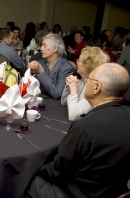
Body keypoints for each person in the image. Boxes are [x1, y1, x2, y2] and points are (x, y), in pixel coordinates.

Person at [25, 62, 130, 198]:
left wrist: (34, 168)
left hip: (77, 193)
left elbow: (57, 171)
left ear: (96, 87)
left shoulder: (85, 127)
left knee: (26, 181)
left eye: (87, 80)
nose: (84, 83)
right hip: (115, 190)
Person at [61, 46, 110, 121]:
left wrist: (73, 91)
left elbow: (73, 116)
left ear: (87, 67)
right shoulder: (83, 81)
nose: (76, 62)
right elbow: (64, 102)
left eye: (79, 61)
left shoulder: (95, 88)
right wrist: (69, 88)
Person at [27, 33, 74, 99]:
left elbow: (57, 93)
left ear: (55, 49)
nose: (41, 48)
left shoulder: (66, 68)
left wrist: (41, 72)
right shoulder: (40, 62)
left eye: (44, 46)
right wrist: (30, 71)